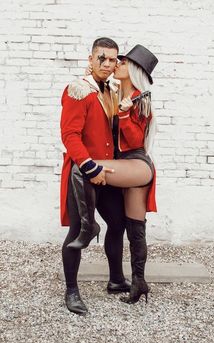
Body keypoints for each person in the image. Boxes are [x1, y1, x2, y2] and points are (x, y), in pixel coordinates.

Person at [67, 44, 158, 304]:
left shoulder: (140, 99)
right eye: (112, 60)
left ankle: (88, 227)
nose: (115, 64)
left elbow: (134, 140)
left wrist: (126, 114)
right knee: (134, 227)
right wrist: (90, 76)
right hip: (124, 168)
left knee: (82, 168)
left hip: (136, 164)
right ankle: (137, 282)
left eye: (122, 62)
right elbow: (97, 90)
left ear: (133, 70)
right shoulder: (116, 91)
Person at [60, 37, 131, 315]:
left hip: (109, 172)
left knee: (118, 223)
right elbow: (70, 135)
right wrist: (91, 167)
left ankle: (115, 280)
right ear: (90, 59)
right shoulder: (78, 89)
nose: (107, 64)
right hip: (84, 173)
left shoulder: (114, 89)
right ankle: (71, 290)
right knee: (78, 232)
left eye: (112, 59)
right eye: (101, 58)